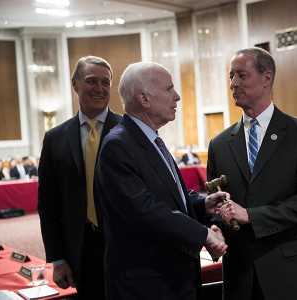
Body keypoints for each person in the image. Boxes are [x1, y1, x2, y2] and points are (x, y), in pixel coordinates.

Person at [94, 62, 228, 300]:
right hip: (146, 285)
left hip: (172, 278)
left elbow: (168, 197)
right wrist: (204, 234)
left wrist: (201, 204)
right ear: (144, 99)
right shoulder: (118, 145)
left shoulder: (150, 139)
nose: (177, 96)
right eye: (169, 89)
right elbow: (144, 211)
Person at [207, 47, 297, 300]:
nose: (233, 84)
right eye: (231, 76)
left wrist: (251, 215)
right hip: (240, 276)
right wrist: (215, 228)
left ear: (267, 78)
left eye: (241, 75)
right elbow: (218, 203)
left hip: (292, 273)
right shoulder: (219, 144)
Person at [38, 56, 122, 299]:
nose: (99, 88)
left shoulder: (129, 131)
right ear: (75, 85)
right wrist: (57, 258)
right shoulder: (55, 139)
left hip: (126, 245)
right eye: (91, 81)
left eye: (105, 82)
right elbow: (48, 204)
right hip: (81, 249)